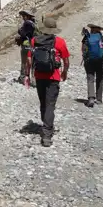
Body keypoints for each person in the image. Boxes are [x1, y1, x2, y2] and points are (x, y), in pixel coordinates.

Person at [25, 16, 69, 147]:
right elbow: (66, 60)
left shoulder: (34, 41)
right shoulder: (59, 41)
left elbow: (29, 60)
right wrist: (64, 71)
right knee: (50, 104)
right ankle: (47, 134)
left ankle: (45, 124)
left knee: (43, 102)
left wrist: (28, 74)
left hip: (39, 76)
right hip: (53, 77)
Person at [82, 24, 103, 108]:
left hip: (89, 60)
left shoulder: (86, 37)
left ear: (91, 29)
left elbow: (83, 49)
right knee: (100, 78)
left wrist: (85, 57)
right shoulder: (102, 38)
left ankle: (91, 98)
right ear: (99, 30)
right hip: (100, 60)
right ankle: (99, 99)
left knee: (90, 78)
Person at [15, 10, 37, 83]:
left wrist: (19, 31)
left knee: (24, 61)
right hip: (33, 45)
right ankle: (34, 79)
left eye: (23, 16)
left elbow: (24, 34)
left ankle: (23, 78)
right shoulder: (34, 23)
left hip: (26, 44)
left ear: (26, 16)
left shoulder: (26, 23)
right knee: (33, 62)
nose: (23, 17)